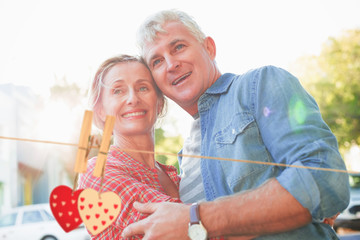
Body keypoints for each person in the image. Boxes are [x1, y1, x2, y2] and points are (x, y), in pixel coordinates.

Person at [122, 9, 350, 239]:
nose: (171, 64)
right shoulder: (186, 156)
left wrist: (197, 218)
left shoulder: (259, 85)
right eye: (157, 61)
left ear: (209, 48)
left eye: (178, 47)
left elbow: (326, 180)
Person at [77, 54, 182, 239]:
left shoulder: (173, 174)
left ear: (159, 102)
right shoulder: (97, 172)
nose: (133, 99)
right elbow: (184, 228)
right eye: (118, 91)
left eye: (143, 88)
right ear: (101, 110)